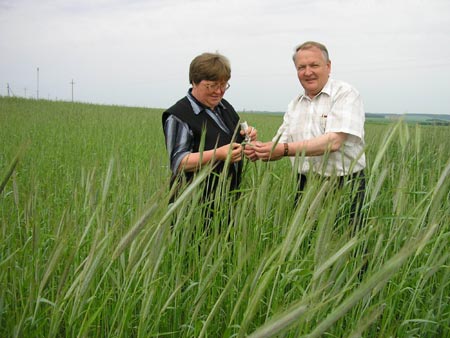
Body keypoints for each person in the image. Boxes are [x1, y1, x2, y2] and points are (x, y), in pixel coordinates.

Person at [253, 41, 366, 229]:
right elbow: (280, 143)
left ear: (328, 66)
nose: (307, 72)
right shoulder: (295, 104)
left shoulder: (345, 94)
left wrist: (283, 149)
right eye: (301, 67)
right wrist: (259, 150)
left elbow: (334, 141)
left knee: (349, 248)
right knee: (304, 247)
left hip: (345, 185)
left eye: (314, 65)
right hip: (305, 186)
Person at [162, 52, 257, 205]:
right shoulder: (179, 115)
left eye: (223, 85)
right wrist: (217, 154)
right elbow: (179, 162)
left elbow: (235, 142)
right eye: (212, 85)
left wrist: (248, 137)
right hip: (192, 207)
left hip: (226, 202)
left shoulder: (225, 107)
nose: (219, 91)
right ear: (194, 81)